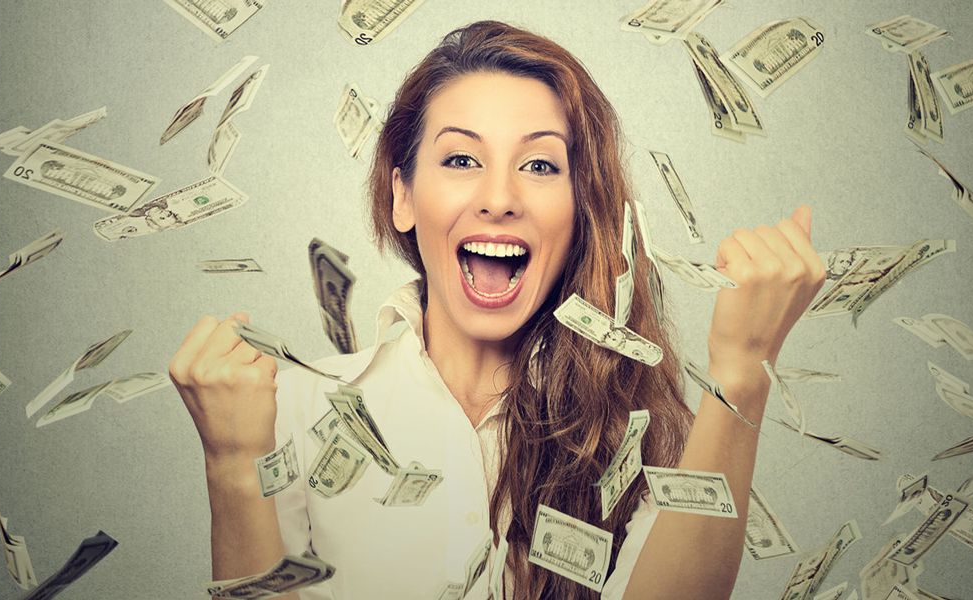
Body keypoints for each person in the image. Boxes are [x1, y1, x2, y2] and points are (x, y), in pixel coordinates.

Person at [169, 20, 824, 600]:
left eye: (540, 164)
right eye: (460, 159)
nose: (500, 197)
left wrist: (743, 373)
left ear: (581, 209)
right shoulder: (293, 411)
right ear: (404, 195)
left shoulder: (634, 433)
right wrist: (232, 461)